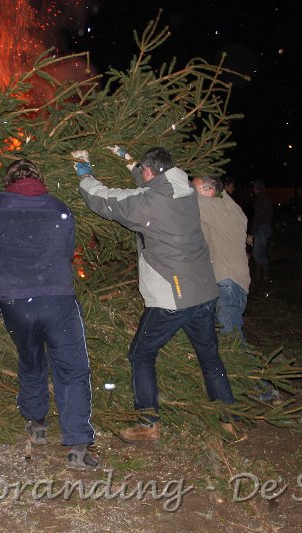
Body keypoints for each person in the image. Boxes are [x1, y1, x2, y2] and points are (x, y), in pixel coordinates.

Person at [0, 159, 98, 470]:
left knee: (31, 360)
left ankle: (36, 423)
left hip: (14, 302)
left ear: (8, 181)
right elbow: (68, 251)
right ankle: (77, 447)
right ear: (39, 180)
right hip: (57, 300)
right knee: (72, 370)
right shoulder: (59, 208)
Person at [72, 146, 236, 442]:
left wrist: (83, 171)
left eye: (144, 172)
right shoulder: (185, 188)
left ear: (150, 172)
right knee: (210, 357)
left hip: (173, 296)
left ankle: (148, 423)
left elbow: (105, 200)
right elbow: (151, 183)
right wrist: (126, 158)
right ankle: (229, 418)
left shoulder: (148, 204)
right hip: (203, 290)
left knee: (141, 354)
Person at [192, 176, 251, 342]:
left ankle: (247, 367)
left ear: (210, 191)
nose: (192, 193)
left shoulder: (221, 208)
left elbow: (187, 200)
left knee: (231, 337)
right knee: (223, 337)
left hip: (228, 282)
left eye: (195, 190)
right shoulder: (221, 208)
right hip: (225, 282)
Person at [250, 179, 274, 280]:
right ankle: (261, 276)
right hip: (264, 227)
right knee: (260, 251)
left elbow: (258, 217)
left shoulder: (262, 198)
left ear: (256, 188)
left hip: (262, 228)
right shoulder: (263, 197)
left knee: (257, 254)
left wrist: (251, 233)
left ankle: (266, 273)